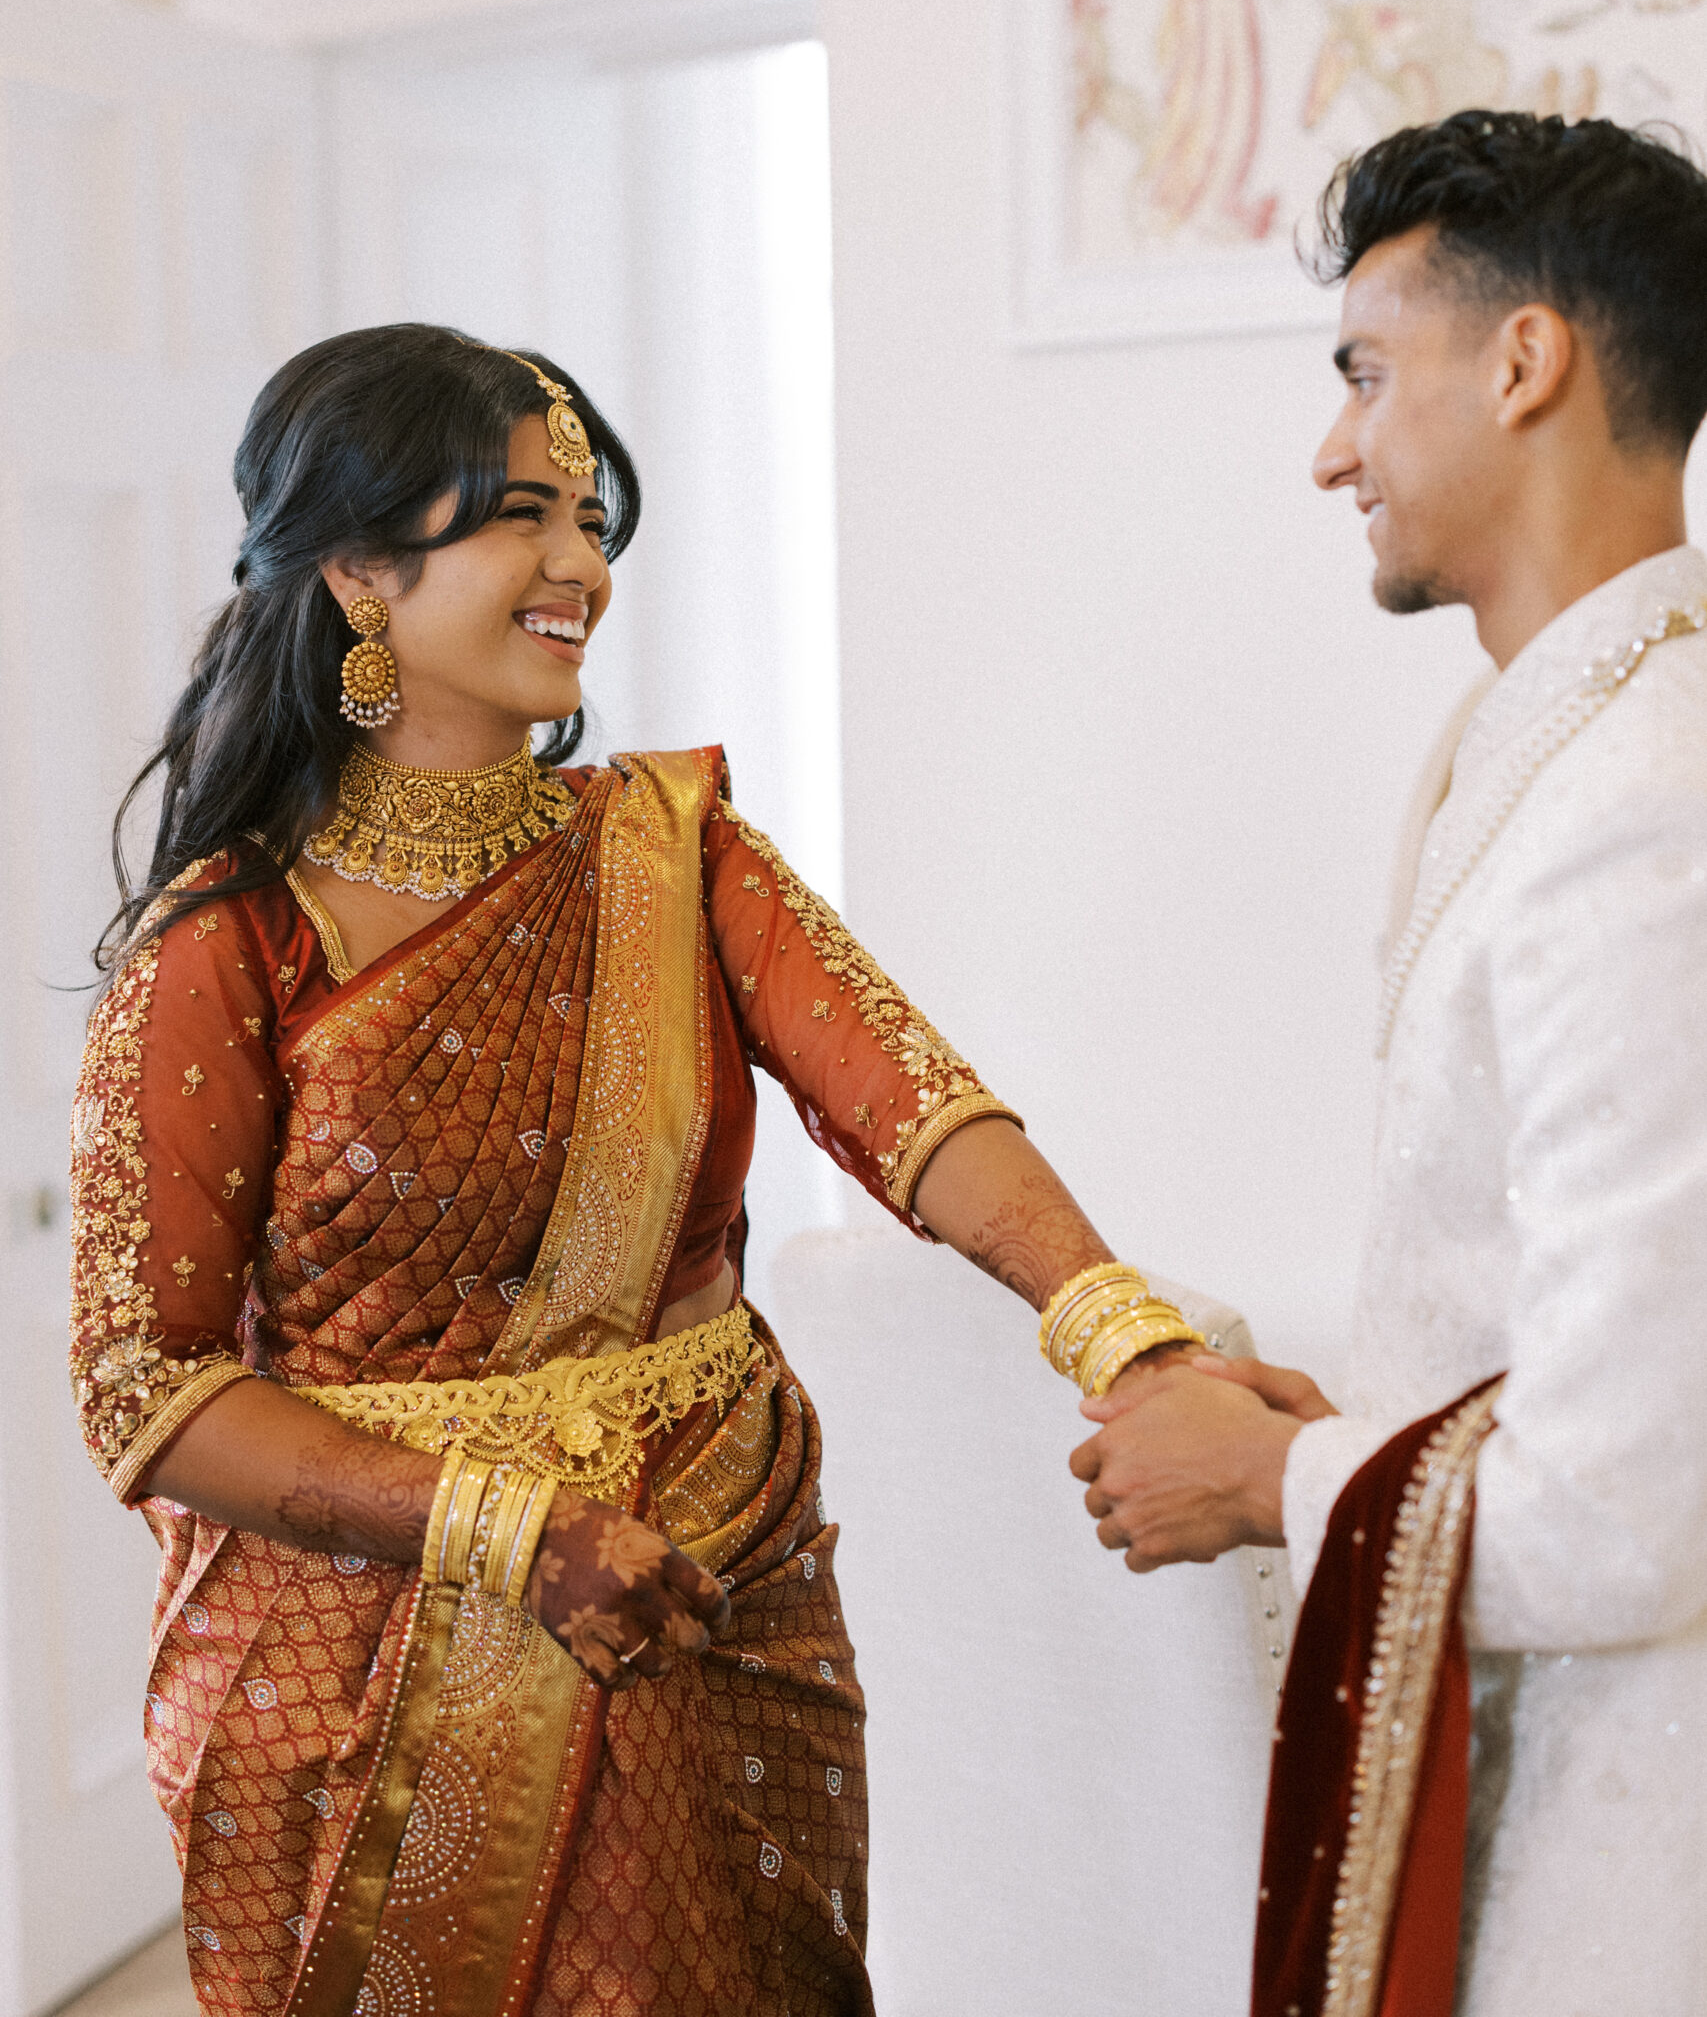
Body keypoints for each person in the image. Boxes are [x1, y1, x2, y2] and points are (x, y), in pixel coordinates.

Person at [70, 324, 1202, 2017]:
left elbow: (915, 1107)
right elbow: (142, 1387)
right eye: (524, 514)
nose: (580, 567)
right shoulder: (227, 948)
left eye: (594, 521)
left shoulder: (671, 855)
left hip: (708, 1580)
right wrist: (508, 1529)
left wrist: (1125, 1335)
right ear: (364, 569)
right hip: (362, 1661)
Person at [1068, 113, 1707, 2015]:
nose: (1331, 448)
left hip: (1633, 1815)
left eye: (1363, 372)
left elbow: (1623, 1508)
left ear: (1526, 363)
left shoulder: (1644, 806)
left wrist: (1274, 1484)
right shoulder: (1551, 740)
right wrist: (1350, 1415)